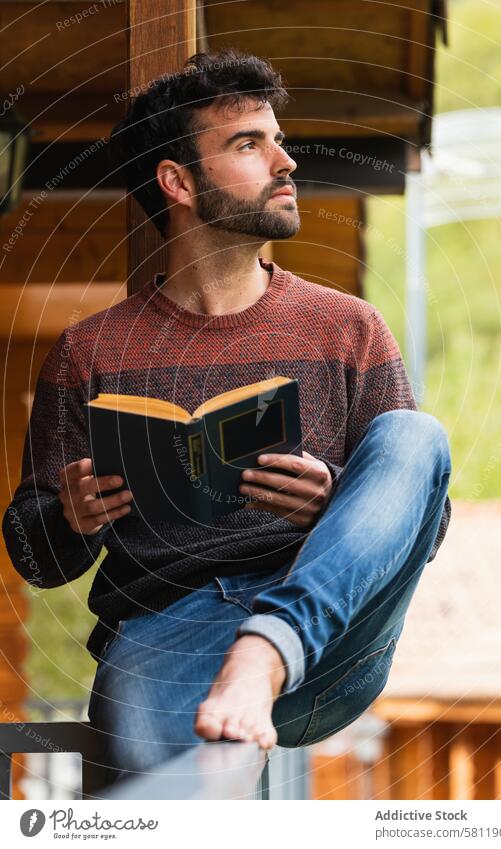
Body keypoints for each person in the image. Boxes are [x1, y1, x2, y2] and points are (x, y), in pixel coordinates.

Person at [2, 48, 451, 784]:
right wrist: (72, 518)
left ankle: (264, 647)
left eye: (277, 140)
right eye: (249, 144)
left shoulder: (348, 328)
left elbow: (425, 521)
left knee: (413, 435)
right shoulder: (89, 353)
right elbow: (31, 553)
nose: (285, 162)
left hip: (326, 636)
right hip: (164, 632)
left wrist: (335, 498)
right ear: (177, 181)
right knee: (164, 805)